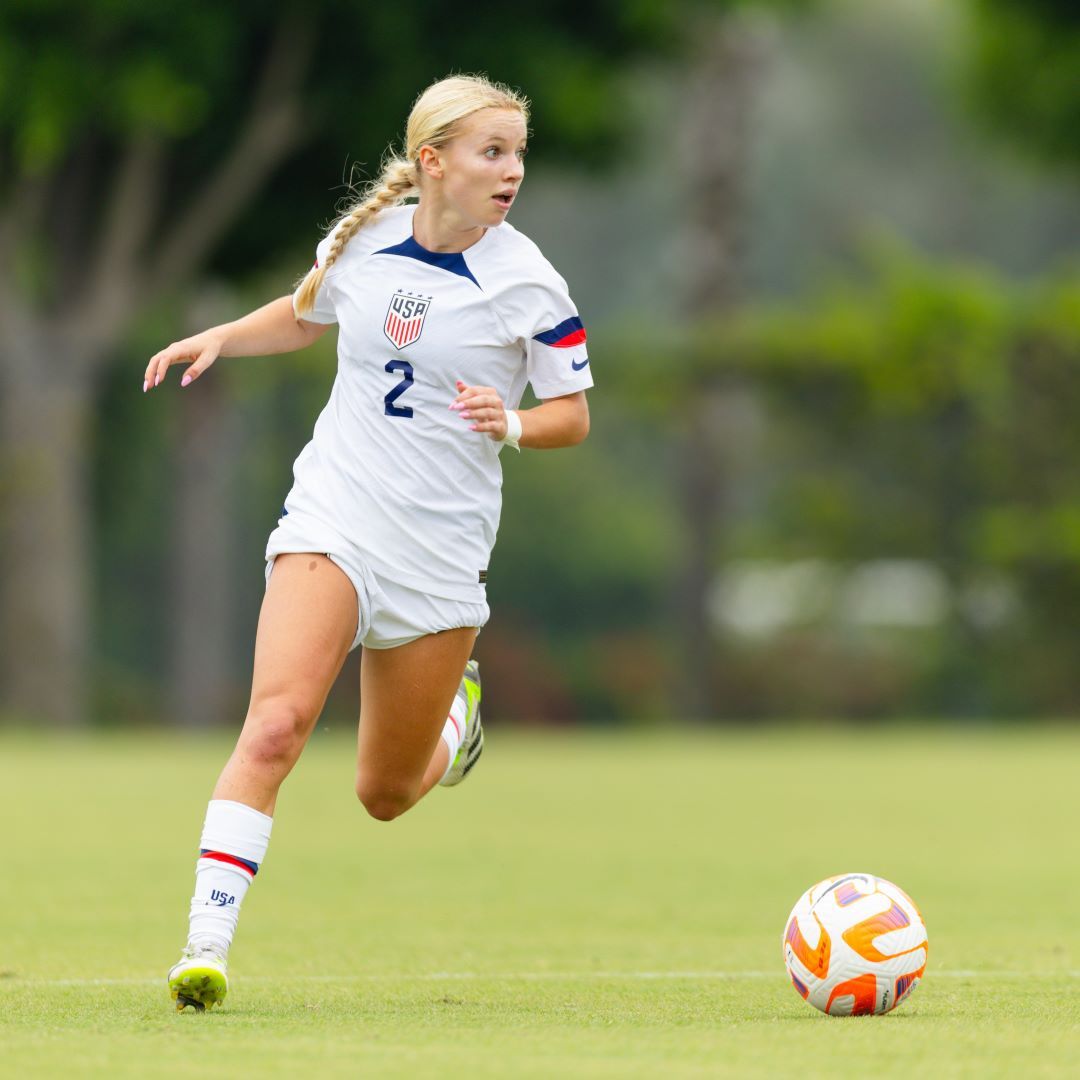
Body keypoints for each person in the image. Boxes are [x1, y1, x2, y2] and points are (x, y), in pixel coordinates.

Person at [143, 73, 592, 1012]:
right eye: (491, 151)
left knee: (384, 793)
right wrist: (222, 337)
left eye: (517, 152)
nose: (512, 170)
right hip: (334, 516)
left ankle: (456, 724)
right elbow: (306, 314)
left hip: (437, 556)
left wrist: (509, 424)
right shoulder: (366, 242)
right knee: (273, 726)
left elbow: (573, 417)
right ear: (433, 161)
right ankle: (204, 947)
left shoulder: (531, 282)